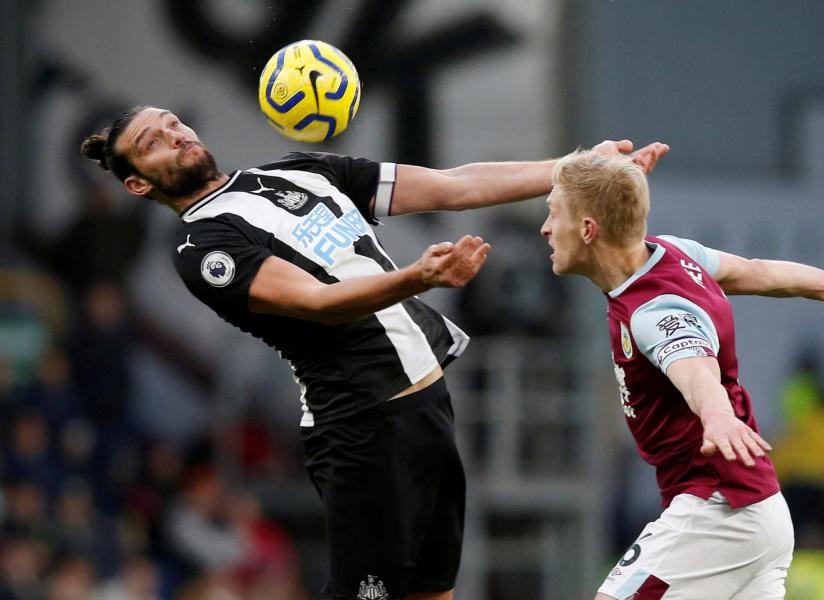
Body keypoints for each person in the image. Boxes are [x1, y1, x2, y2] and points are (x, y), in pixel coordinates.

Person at [79, 106, 669, 600]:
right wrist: (419, 277)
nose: (175, 135)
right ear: (139, 183)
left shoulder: (300, 171)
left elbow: (452, 185)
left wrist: (576, 171)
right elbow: (317, 302)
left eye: (173, 122)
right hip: (360, 427)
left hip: (428, 406)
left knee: (433, 590)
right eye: (152, 142)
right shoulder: (201, 244)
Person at [538, 150, 824, 600]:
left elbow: (696, 369)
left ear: (587, 229)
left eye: (552, 213)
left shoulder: (654, 311)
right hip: (760, 509)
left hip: (719, 508)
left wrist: (716, 416)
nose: (545, 228)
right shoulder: (674, 253)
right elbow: (754, 272)